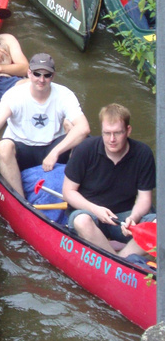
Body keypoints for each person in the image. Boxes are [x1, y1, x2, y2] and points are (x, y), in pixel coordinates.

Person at [0, 53, 90, 201]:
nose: (41, 80)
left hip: (52, 147)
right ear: (29, 73)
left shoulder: (64, 94)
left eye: (47, 75)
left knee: (85, 141)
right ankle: (20, 201)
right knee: (3, 146)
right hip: (22, 149)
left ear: (53, 76)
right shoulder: (15, 95)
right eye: (37, 74)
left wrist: (55, 152)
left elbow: (84, 128)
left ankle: (81, 192)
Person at [63, 104, 155, 260]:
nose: (111, 139)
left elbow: (144, 198)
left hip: (124, 219)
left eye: (117, 133)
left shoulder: (143, 153)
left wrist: (134, 217)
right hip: (90, 214)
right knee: (81, 221)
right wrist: (95, 209)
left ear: (128, 130)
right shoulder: (85, 149)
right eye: (107, 133)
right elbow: (68, 192)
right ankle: (116, 262)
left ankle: (122, 260)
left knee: (158, 225)